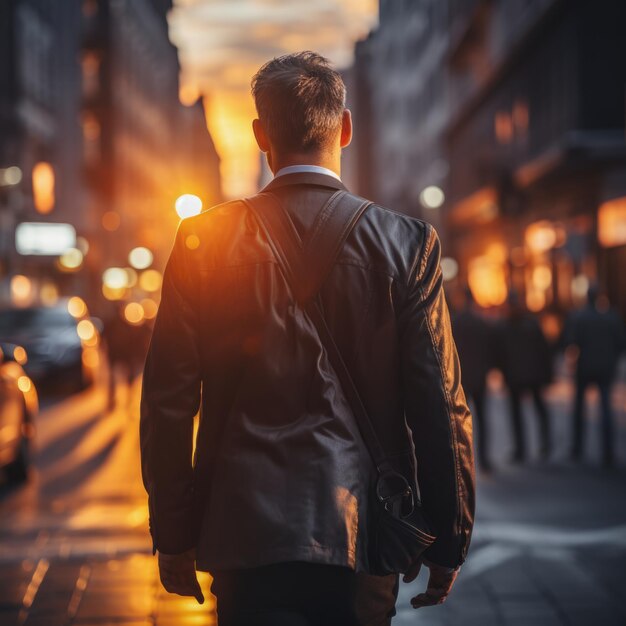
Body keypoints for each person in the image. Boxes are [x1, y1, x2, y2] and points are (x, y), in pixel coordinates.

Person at [140, 51, 475, 626]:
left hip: (243, 531)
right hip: (364, 530)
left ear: (260, 135)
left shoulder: (203, 241)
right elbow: (440, 406)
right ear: (344, 127)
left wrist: (174, 533)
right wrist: (448, 536)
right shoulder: (406, 243)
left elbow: (169, 401)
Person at [563, 285, 624, 468]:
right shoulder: (611, 317)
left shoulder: (579, 317)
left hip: (585, 367)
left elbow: (571, 341)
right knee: (605, 409)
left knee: (580, 409)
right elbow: (621, 343)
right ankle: (607, 451)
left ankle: (578, 447)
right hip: (605, 367)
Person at [498, 291, 553, 463]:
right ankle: (544, 444)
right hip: (531, 375)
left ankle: (523, 449)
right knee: (538, 410)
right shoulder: (531, 324)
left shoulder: (505, 326)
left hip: (516, 376)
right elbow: (544, 350)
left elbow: (500, 355)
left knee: (518, 414)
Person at [452, 287, 495, 472]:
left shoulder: (455, 322)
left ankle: (463, 460)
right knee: (483, 419)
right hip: (479, 377)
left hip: (462, 379)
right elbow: (490, 349)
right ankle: (484, 458)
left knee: (461, 422)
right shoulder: (480, 322)